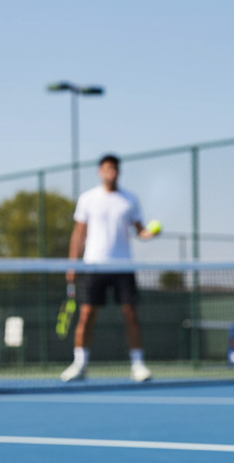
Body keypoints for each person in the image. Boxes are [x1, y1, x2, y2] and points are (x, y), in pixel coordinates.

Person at [61, 154, 156, 383]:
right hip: (94, 266)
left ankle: (138, 365)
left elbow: (140, 231)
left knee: (131, 314)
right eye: (106, 168)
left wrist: (150, 234)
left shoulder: (130, 199)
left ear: (118, 172)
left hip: (123, 266)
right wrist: (72, 263)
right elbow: (79, 232)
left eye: (113, 168)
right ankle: (80, 364)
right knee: (86, 315)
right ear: (99, 172)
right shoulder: (87, 199)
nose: (110, 172)